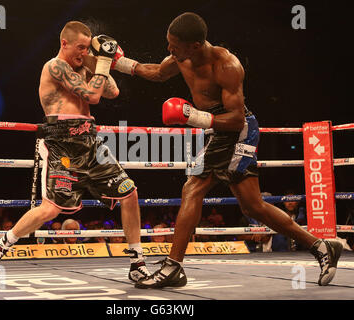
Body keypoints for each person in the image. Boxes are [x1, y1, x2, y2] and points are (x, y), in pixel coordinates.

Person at [111, 12, 343, 288]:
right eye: (168, 43)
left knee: (193, 187)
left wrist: (192, 117)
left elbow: (236, 119)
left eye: (174, 45)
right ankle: (321, 247)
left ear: (195, 46)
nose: (169, 50)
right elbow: (159, 73)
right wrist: (119, 63)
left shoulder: (226, 65)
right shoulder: (181, 58)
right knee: (253, 206)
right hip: (216, 129)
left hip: (236, 129)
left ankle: (173, 267)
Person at [0, 21, 150, 283]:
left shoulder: (84, 66)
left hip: (90, 141)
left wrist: (98, 59)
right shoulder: (55, 66)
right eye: (80, 47)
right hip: (61, 143)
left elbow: (112, 91)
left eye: (87, 48)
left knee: (130, 193)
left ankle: (137, 262)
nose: (83, 52)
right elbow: (92, 97)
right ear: (64, 43)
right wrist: (103, 63)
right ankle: (2, 245)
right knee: (50, 209)